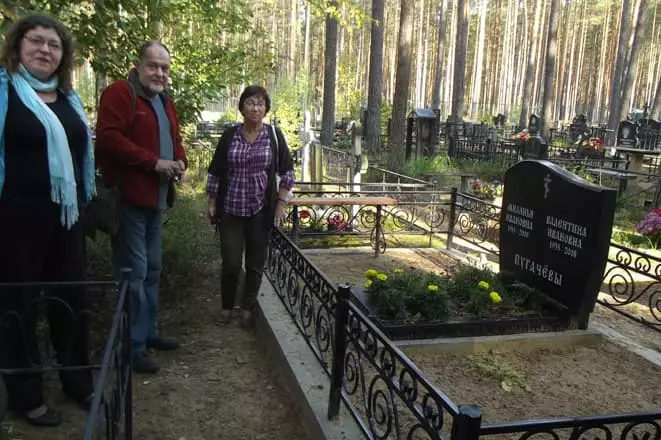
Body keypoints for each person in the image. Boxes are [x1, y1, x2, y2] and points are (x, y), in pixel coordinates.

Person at [0, 14, 97, 426]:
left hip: (66, 219)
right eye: (36, 41)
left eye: (53, 45)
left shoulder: (68, 98)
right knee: (18, 307)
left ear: (64, 55)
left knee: (71, 301)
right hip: (16, 220)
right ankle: (27, 395)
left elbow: (80, 157)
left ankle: (78, 382)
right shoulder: (6, 92)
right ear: (18, 46)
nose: (44, 50)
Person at [95, 41, 187, 374]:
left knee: (152, 269)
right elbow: (108, 138)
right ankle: (131, 347)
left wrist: (179, 162)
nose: (159, 73)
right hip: (129, 200)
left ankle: (148, 333)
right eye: (153, 66)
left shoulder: (164, 101)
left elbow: (175, 141)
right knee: (132, 273)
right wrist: (153, 163)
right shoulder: (120, 93)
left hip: (156, 201)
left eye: (165, 68)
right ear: (139, 65)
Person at [206, 85, 295, 327]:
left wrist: (280, 203)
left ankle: (247, 306)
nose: (255, 107)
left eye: (260, 103)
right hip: (231, 209)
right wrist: (212, 201)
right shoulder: (229, 135)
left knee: (255, 263)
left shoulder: (274, 136)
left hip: (260, 210)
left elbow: (287, 172)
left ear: (266, 109)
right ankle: (227, 306)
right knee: (231, 261)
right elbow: (215, 171)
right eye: (250, 102)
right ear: (242, 107)